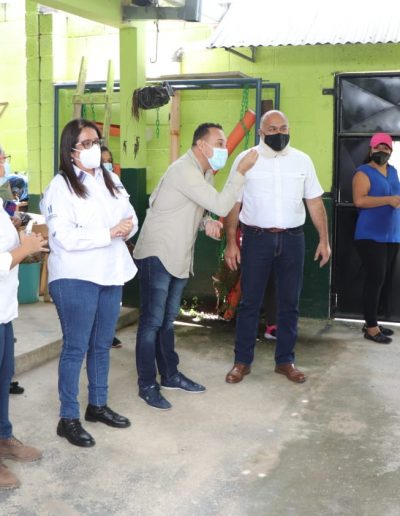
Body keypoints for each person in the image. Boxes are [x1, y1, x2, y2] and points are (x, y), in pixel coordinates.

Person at [133, 122, 258, 410]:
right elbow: (222, 204)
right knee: (152, 322)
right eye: (219, 143)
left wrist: (206, 222)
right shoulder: (184, 170)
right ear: (201, 145)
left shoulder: (204, 173)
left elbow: (189, 207)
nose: (224, 148)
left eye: (224, 143)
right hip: (158, 254)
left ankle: (170, 375)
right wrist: (240, 172)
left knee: (167, 321)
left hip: (178, 256)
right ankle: (147, 384)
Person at [41, 119, 138, 447]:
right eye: (86, 143)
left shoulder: (110, 178)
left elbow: (131, 216)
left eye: (96, 141)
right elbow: (63, 236)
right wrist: (109, 233)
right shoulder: (60, 187)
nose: (94, 147)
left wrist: (128, 227)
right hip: (75, 276)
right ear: (70, 150)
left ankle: (97, 405)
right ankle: (68, 418)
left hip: (110, 272)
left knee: (101, 345)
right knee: (76, 347)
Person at [224, 110, 330, 384]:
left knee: (289, 303)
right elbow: (234, 203)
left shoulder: (302, 160)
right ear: (261, 132)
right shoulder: (246, 159)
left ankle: (285, 361)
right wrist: (231, 243)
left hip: (293, 239)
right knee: (250, 302)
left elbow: (314, 202)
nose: (278, 133)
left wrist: (324, 240)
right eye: (272, 129)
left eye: (283, 128)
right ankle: (242, 361)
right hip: (256, 239)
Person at [0, 206, 47, 490]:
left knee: (4, 378)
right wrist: (24, 248)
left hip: (3, 310)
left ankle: (3, 437)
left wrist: (22, 239)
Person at [352, 132, 400, 344]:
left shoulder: (393, 171)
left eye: (386, 147)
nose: (382, 150)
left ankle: (372, 322)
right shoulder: (363, 172)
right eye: (378, 147)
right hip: (370, 235)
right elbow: (359, 201)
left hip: (392, 234)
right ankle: (371, 328)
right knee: (375, 280)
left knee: (383, 281)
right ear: (371, 149)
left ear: (391, 150)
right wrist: (388, 199)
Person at [101, 145, 123, 349]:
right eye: (103, 161)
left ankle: (108, 333)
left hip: (115, 250)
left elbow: (128, 216)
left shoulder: (116, 184)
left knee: (112, 301)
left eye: (110, 161)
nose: (107, 164)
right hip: (96, 252)